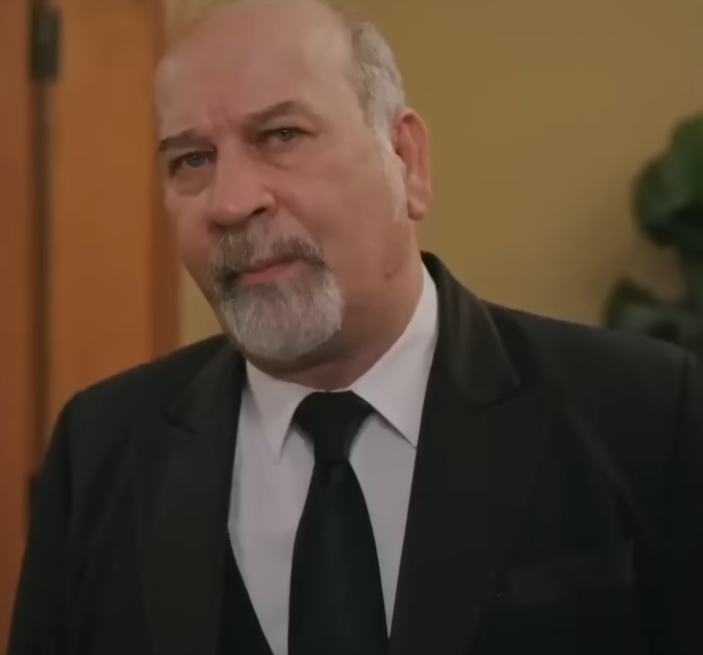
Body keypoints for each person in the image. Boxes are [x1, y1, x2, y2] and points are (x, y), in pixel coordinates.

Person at [9, 0, 703, 653]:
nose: (231, 202)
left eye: (282, 135)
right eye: (192, 159)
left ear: (406, 161)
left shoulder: (644, 413)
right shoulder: (101, 447)